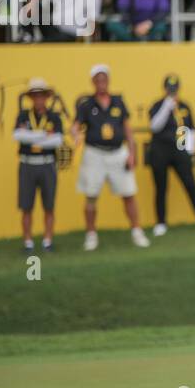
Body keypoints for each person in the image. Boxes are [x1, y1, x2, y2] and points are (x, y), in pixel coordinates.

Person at [72, 64, 149, 250]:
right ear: (93, 82)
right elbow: (75, 126)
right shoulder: (86, 104)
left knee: (128, 193)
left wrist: (132, 153)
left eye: (104, 79)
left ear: (108, 81)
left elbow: (128, 131)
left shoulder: (118, 102)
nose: (101, 83)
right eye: (98, 80)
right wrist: (74, 135)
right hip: (94, 153)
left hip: (117, 152)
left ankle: (137, 231)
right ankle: (91, 234)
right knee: (91, 196)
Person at [148, 74, 195, 236]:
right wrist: (167, 106)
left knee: (191, 185)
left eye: (174, 88)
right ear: (165, 88)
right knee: (161, 187)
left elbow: (190, 129)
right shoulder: (158, 105)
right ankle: (160, 223)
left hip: (180, 148)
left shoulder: (184, 106)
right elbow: (155, 126)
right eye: (169, 88)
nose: (172, 91)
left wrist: (189, 150)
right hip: (160, 149)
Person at [13, 77, 63, 252]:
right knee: (26, 206)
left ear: (46, 97)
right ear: (31, 98)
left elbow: (57, 140)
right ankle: (28, 242)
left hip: (47, 164)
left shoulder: (54, 116)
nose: (39, 99)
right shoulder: (23, 115)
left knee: (49, 205)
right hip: (27, 164)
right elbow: (18, 136)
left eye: (41, 95)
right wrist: (43, 135)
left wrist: (32, 136)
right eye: (35, 95)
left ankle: (47, 241)